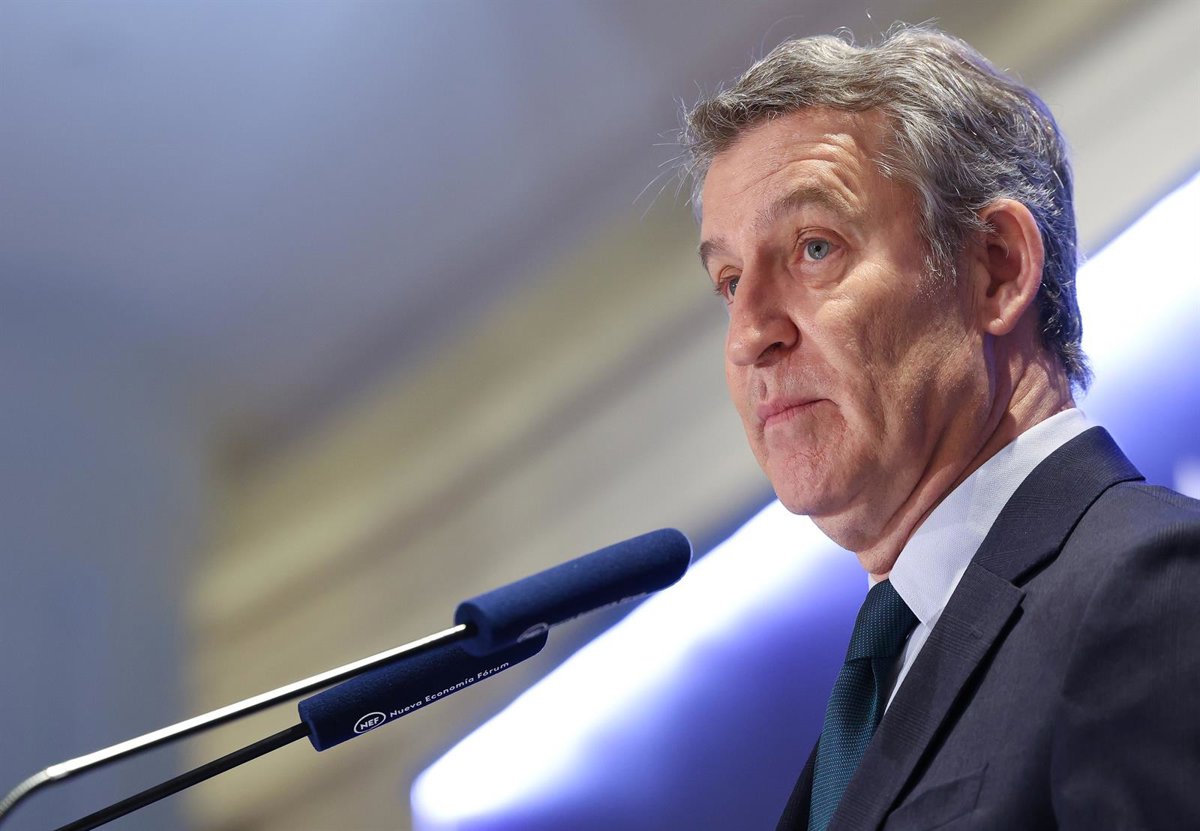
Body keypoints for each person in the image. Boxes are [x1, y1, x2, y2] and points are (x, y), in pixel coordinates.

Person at [681, 25, 1200, 830]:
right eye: (729, 280)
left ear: (997, 268)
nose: (750, 333)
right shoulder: (877, 691)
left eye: (815, 248)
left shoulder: (1151, 588)